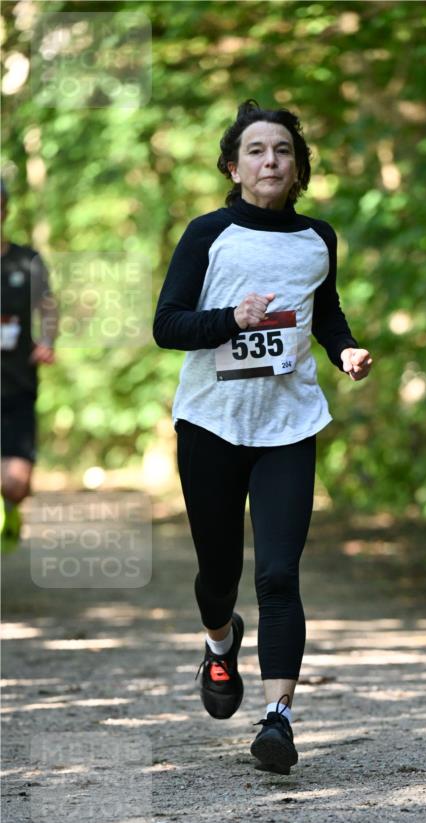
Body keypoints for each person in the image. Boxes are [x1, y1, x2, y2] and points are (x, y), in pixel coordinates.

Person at [153, 99, 372, 774]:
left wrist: (344, 350)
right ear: (233, 166)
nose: (270, 160)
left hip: (288, 423)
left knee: (278, 574)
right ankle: (220, 646)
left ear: (298, 168)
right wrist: (229, 319)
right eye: (255, 151)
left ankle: (277, 718)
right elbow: (168, 327)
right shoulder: (208, 234)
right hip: (212, 422)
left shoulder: (318, 238)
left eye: (282, 151)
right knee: (218, 575)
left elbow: (324, 310)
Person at [1, 180, 58, 552]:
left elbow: (49, 307)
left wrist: (48, 341)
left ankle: (11, 507)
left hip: (18, 384)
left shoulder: (27, 260)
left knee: (15, 483)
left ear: (4, 210)